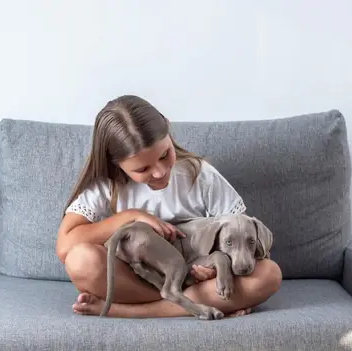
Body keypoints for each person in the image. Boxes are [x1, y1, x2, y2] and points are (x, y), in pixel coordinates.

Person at [55, 94, 282, 318]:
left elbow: (241, 235)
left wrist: (213, 272)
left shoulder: (199, 175)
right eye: (142, 169)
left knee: (268, 274)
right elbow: (65, 247)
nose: (160, 172)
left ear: (168, 128)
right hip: (137, 278)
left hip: (199, 277)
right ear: (116, 163)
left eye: (165, 155)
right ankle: (184, 302)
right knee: (81, 260)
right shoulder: (107, 187)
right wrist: (130, 217)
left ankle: (130, 311)